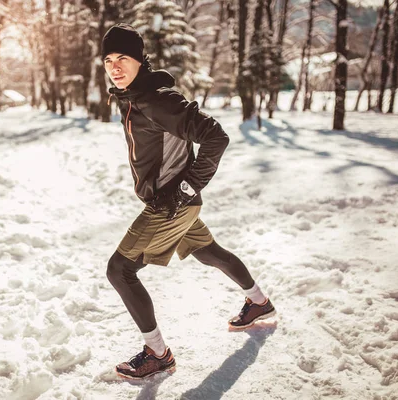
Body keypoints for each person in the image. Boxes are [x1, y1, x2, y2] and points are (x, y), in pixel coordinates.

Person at [102, 23, 276, 380]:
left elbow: (216, 137)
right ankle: (258, 302)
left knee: (119, 270)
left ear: (140, 60)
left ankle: (157, 353)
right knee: (208, 251)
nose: (115, 67)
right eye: (108, 60)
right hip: (177, 203)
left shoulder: (156, 99)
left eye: (123, 58)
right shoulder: (136, 97)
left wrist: (185, 188)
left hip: (172, 206)